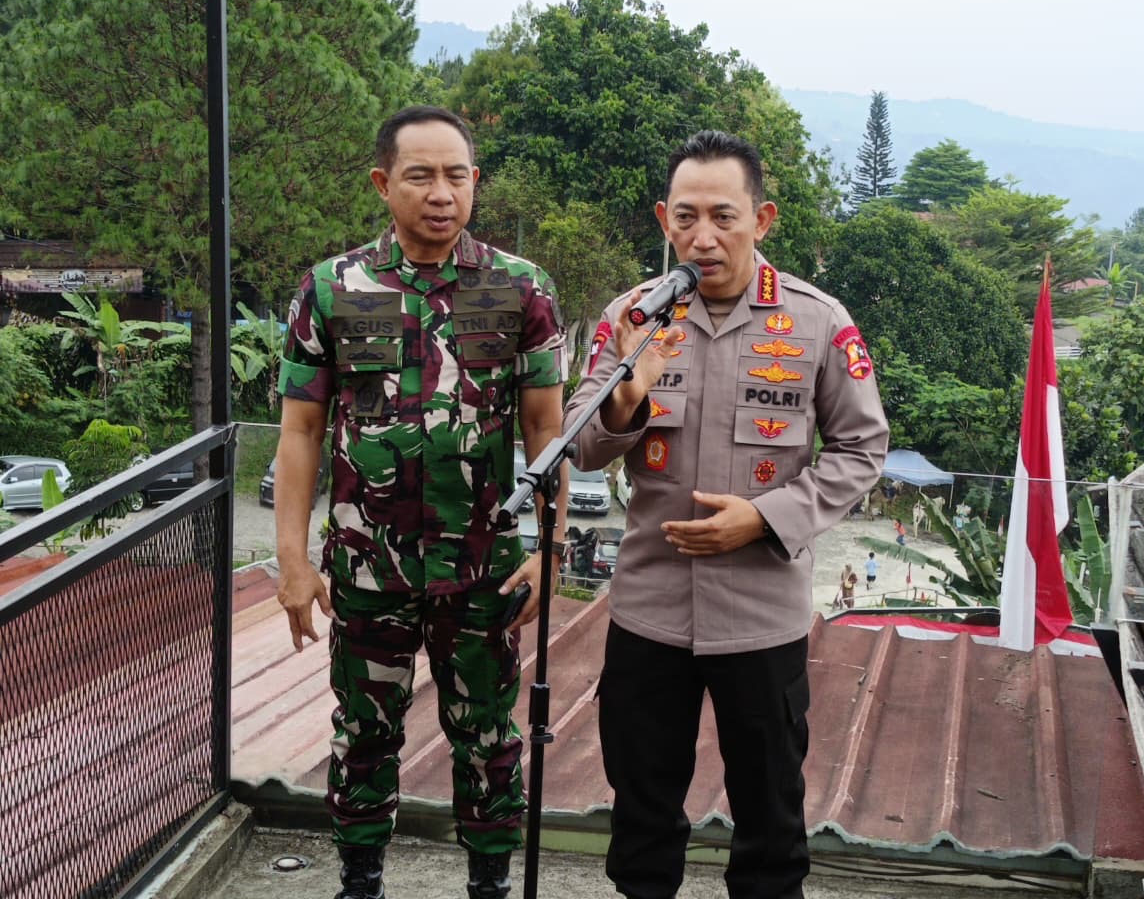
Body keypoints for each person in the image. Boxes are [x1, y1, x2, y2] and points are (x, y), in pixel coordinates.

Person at [564, 130, 888, 899]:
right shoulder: (632, 317)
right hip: (648, 610)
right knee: (642, 816)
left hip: (761, 619)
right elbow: (578, 446)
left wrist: (766, 518)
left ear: (762, 219)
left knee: (770, 823)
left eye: (723, 217)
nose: (702, 238)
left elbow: (861, 448)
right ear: (663, 220)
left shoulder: (817, 322)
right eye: (685, 218)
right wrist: (628, 393)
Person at [273, 105, 569, 899]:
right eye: (421, 176)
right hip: (368, 568)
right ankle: (360, 883)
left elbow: (546, 430)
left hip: (483, 569)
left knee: (488, 738)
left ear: (475, 181)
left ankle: (489, 886)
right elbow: (300, 432)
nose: (442, 193)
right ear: (383, 183)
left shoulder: (521, 287)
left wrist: (550, 549)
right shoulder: (331, 289)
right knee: (363, 736)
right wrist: (293, 564)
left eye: (457, 175)